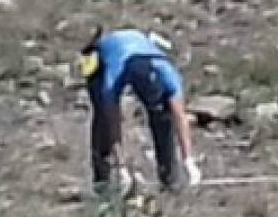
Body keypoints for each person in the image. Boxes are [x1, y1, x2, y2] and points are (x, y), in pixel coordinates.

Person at [77, 27, 201, 194]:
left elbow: (180, 117)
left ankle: (169, 179)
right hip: (106, 54)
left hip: (139, 48)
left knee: (163, 115)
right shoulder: (112, 77)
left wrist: (189, 161)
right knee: (102, 116)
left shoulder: (169, 77)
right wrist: (120, 165)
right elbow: (112, 120)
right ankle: (104, 181)